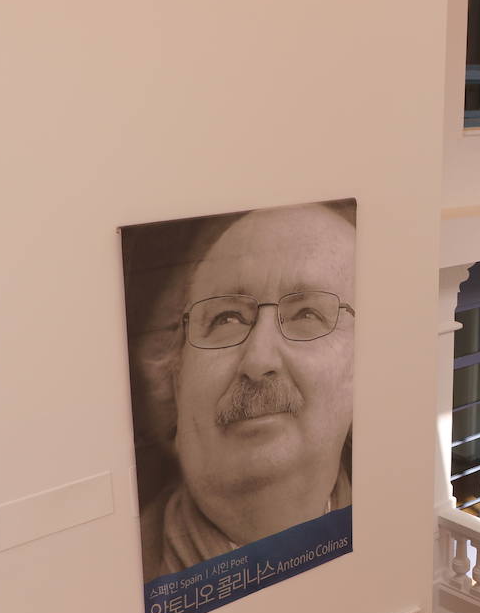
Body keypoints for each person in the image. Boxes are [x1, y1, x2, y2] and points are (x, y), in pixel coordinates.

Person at [139, 201, 355, 582]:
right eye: (227, 318)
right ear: (176, 377)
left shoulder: (392, 529)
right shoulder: (113, 578)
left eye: (307, 314)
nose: (258, 360)